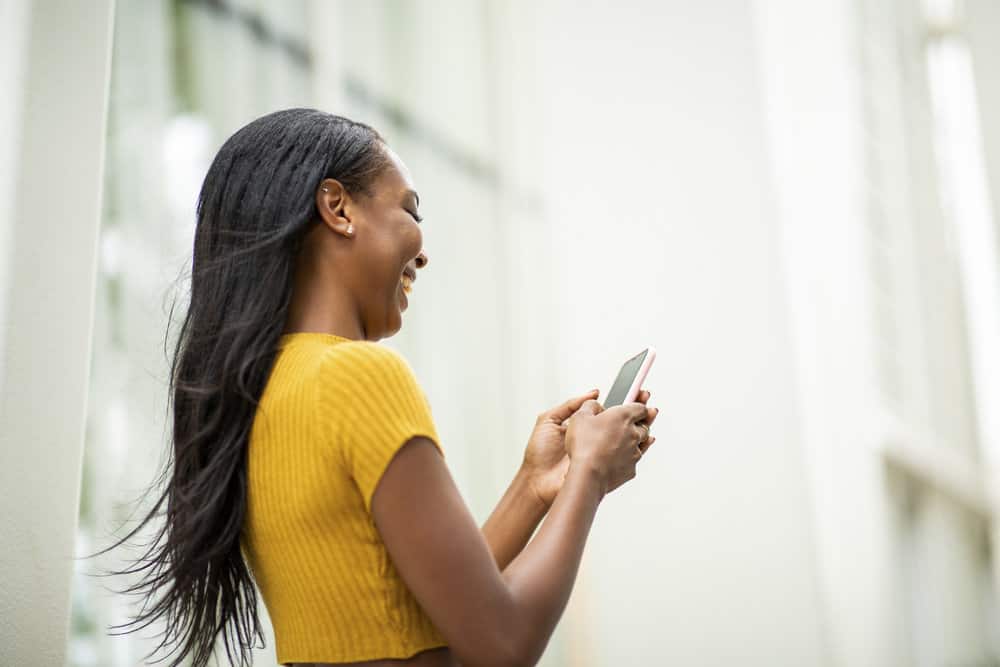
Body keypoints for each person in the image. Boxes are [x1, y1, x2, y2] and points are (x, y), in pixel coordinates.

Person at [98, 108, 658, 667]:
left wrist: (536, 486)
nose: (422, 251)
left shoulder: (259, 391)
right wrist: (589, 472)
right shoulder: (359, 375)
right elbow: (500, 644)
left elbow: (417, 614)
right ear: (337, 208)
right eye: (409, 211)